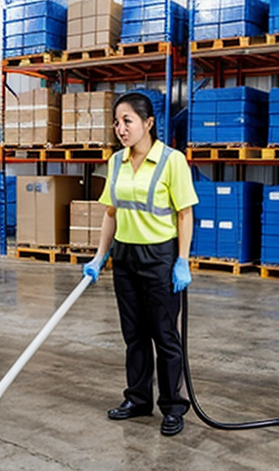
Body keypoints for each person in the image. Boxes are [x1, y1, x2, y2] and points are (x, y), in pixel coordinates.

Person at [83, 92, 199, 436]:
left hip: (160, 258)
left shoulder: (172, 161)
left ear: (148, 123)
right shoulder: (116, 161)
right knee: (134, 335)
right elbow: (111, 213)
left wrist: (182, 260)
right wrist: (99, 256)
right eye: (116, 122)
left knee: (164, 336)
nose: (120, 128)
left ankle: (173, 407)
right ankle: (137, 399)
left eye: (127, 121)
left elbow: (185, 214)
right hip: (125, 258)